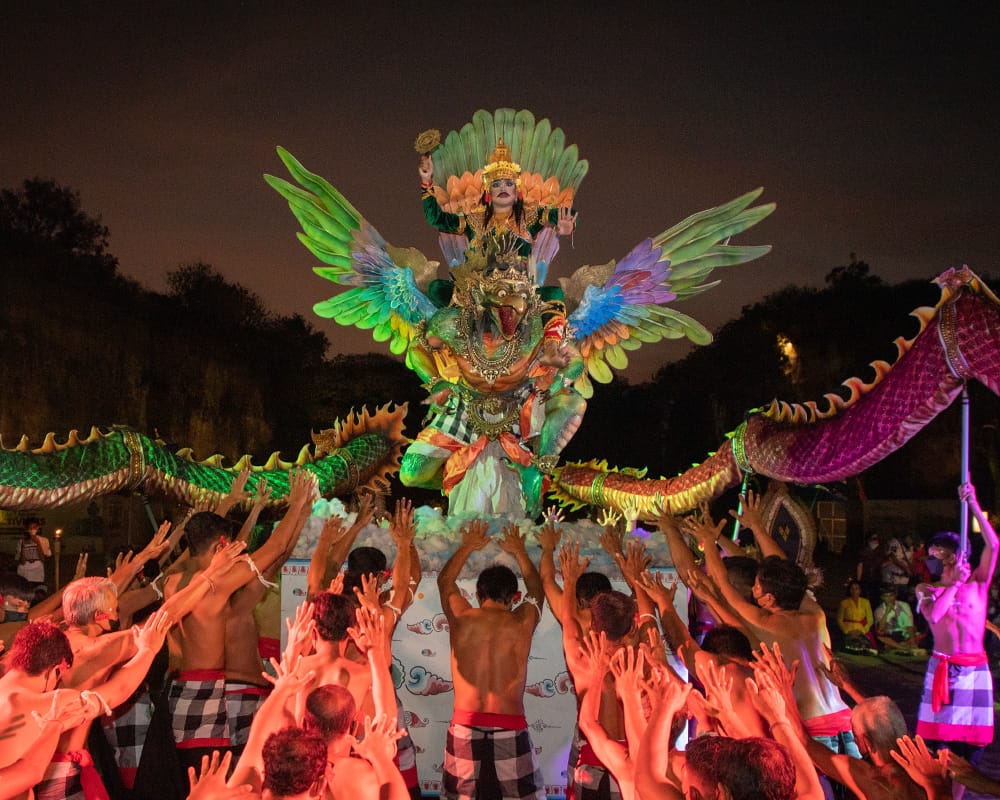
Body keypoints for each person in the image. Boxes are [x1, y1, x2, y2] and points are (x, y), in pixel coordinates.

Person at [436, 519, 546, 800]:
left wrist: (468, 546)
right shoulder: (521, 621)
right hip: (509, 725)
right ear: (513, 597)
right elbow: (538, 589)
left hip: (464, 726)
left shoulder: (462, 617)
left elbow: (445, 581)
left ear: (477, 594)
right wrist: (520, 551)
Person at [914, 481, 998, 781]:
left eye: (955, 554)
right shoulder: (927, 590)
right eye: (944, 555)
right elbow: (935, 617)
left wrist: (973, 503)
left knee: (969, 751)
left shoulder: (978, 584)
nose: (951, 561)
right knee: (938, 748)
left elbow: (994, 545)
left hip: (975, 669)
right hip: (944, 670)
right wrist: (954, 585)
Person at [874, 586, 924, 655]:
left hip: (904, 634)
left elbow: (909, 624)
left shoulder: (904, 605)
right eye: (886, 596)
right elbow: (880, 629)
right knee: (880, 637)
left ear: (895, 596)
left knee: (918, 634)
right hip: (890, 635)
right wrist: (886, 612)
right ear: (882, 598)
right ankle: (903, 647)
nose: (889, 599)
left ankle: (897, 646)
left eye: (891, 596)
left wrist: (912, 642)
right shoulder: (879, 610)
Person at [836, 580, 875, 655]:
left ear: (860, 590)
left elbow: (870, 619)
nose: (854, 591)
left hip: (861, 629)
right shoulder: (844, 603)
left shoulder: (865, 602)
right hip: (849, 628)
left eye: (857, 588)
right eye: (852, 589)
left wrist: (863, 631)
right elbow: (839, 619)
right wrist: (846, 631)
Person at [15, 517, 51, 585]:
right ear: (27, 529)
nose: (32, 530)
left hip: (37, 571)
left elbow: (43, 559)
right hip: (24, 571)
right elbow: (21, 561)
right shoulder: (21, 541)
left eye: (34, 527)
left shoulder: (44, 540)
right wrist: (23, 545)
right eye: (30, 528)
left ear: (38, 528)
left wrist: (38, 543)